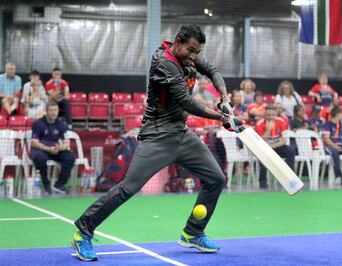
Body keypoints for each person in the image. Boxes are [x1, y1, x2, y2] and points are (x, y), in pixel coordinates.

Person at [71, 25, 243, 261]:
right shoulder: (164, 62)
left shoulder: (188, 56)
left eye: (197, 51)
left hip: (181, 134)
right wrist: (223, 117)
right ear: (177, 41)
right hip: (157, 136)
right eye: (191, 50)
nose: (194, 56)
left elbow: (213, 70)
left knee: (216, 178)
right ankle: (83, 232)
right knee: (128, 188)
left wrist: (224, 98)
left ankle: (193, 232)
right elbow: (186, 103)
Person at [30, 101, 76, 195]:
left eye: (55, 110)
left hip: (55, 150)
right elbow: (34, 143)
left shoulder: (61, 124)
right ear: (46, 111)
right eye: (51, 110)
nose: (53, 112)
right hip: (41, 149)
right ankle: (46, 184)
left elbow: (66, 141)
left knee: (70, 156)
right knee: (40, 158)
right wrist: (48, 149)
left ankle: (59, 184)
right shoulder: (38, 124)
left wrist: (62, 147)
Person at [254, 105, 296, 189]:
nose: (271, 117)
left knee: (291, 150)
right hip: (264, 148)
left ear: (276, 114)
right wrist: (268, 130)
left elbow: (284, 141)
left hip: (276, 146)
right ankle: (263, 183)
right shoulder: (259, 124)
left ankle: (290, 180)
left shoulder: (281, 121)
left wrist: (272, 146)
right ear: (264, 115)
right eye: (268, 115)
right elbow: (262, 143)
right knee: (261, 155)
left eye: (273, 115)